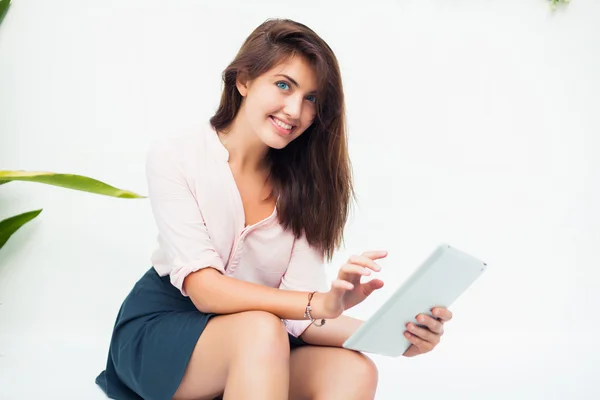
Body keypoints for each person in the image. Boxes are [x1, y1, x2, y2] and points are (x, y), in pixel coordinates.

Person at [95, 18, 453, 400]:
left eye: (311, 98)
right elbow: (206, 291)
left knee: (353, 370)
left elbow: (302, 321)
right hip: (164, 331)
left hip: (260, 343)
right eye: (284, 85)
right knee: (260, 328)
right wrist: (319, 304)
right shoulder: (177, 154)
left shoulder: (308, 186)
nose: (295, 110)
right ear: (244, 80)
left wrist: (399, 338)